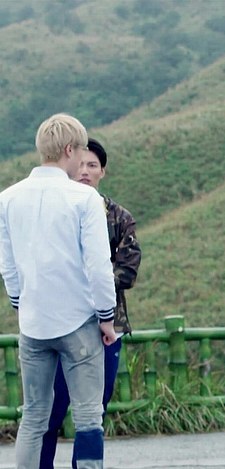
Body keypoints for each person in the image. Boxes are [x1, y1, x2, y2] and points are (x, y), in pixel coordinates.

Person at [0, 113, 117, 469]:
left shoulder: (7, 198)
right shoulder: (84, 199)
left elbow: (8, 265)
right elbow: (99, 266)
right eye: (80, 152)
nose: (82, 160)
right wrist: (106, 317)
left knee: (34, 416)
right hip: (79, 322)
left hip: (33, 324)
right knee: (88, 417)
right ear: (69, 150)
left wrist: (21, 303)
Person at [40, 138, 142, 469]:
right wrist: (92, 277)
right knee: (50, 410)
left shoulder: (119, 217)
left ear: (103, 172)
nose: (85, 171)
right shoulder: (55, 212)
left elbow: (127, 271)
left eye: (93, 165)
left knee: (94, 411)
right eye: (80, 164)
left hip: (107, 328)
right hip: (61, 325)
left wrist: (81, 281)